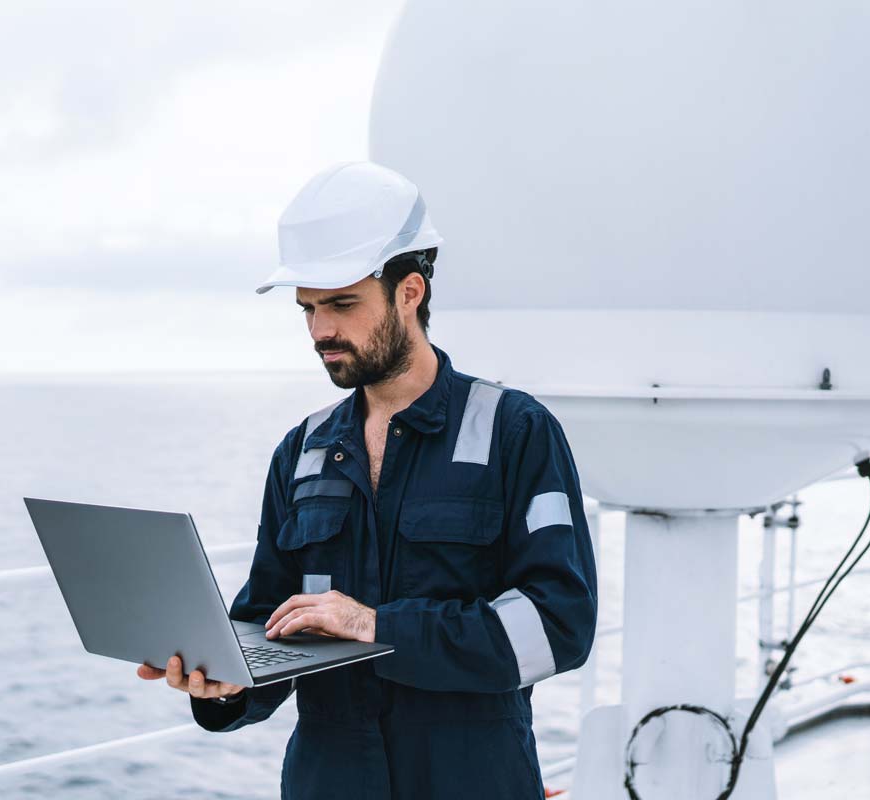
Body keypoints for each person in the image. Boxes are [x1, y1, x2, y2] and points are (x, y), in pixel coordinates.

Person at [137, 161, 598, 799]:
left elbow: (559, 628)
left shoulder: (516, 431)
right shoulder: (300, 452)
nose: (322, 330)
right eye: (308, 309)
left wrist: (377, 626)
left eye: (342, 304)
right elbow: (269, 624)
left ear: (410, 292)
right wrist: (226, 685)